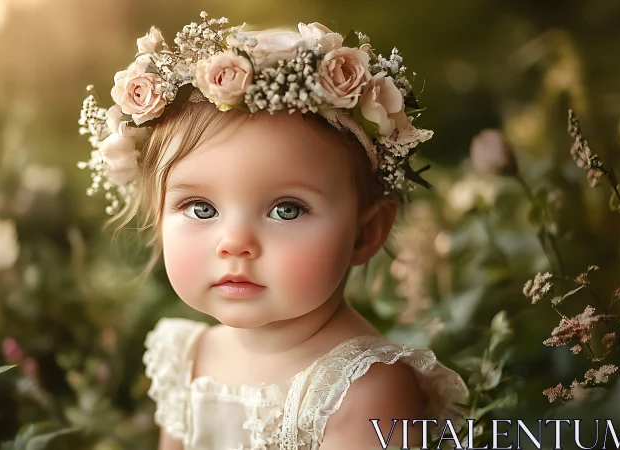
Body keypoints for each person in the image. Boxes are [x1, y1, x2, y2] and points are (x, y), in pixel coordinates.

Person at [77, 12, 469, 450]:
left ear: (366, 232)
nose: (235, 243)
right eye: (201, 208)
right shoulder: (188, 358)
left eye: (286, 210)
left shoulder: (363, 391)